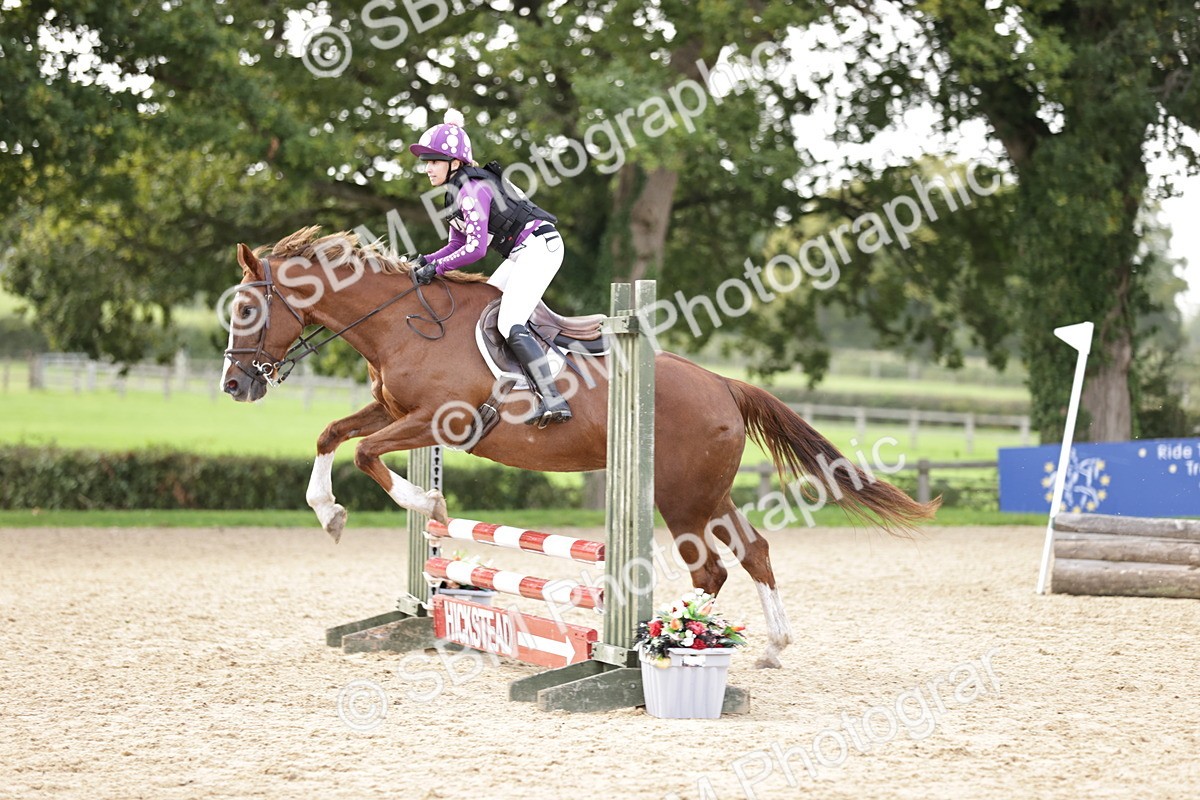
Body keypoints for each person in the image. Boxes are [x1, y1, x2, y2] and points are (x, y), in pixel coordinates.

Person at [408, 109, 571, 426]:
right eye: (426, 161)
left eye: (434, 161)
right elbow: (457, 245)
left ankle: (553, 398)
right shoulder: (457, 193)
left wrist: (436, 269)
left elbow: (477, 249)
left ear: (455, 163)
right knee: (485, 305)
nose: (427, 168)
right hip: (523, 253)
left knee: (509, 321)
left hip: (540, 248)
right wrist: (426, 260)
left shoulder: (472, 190)